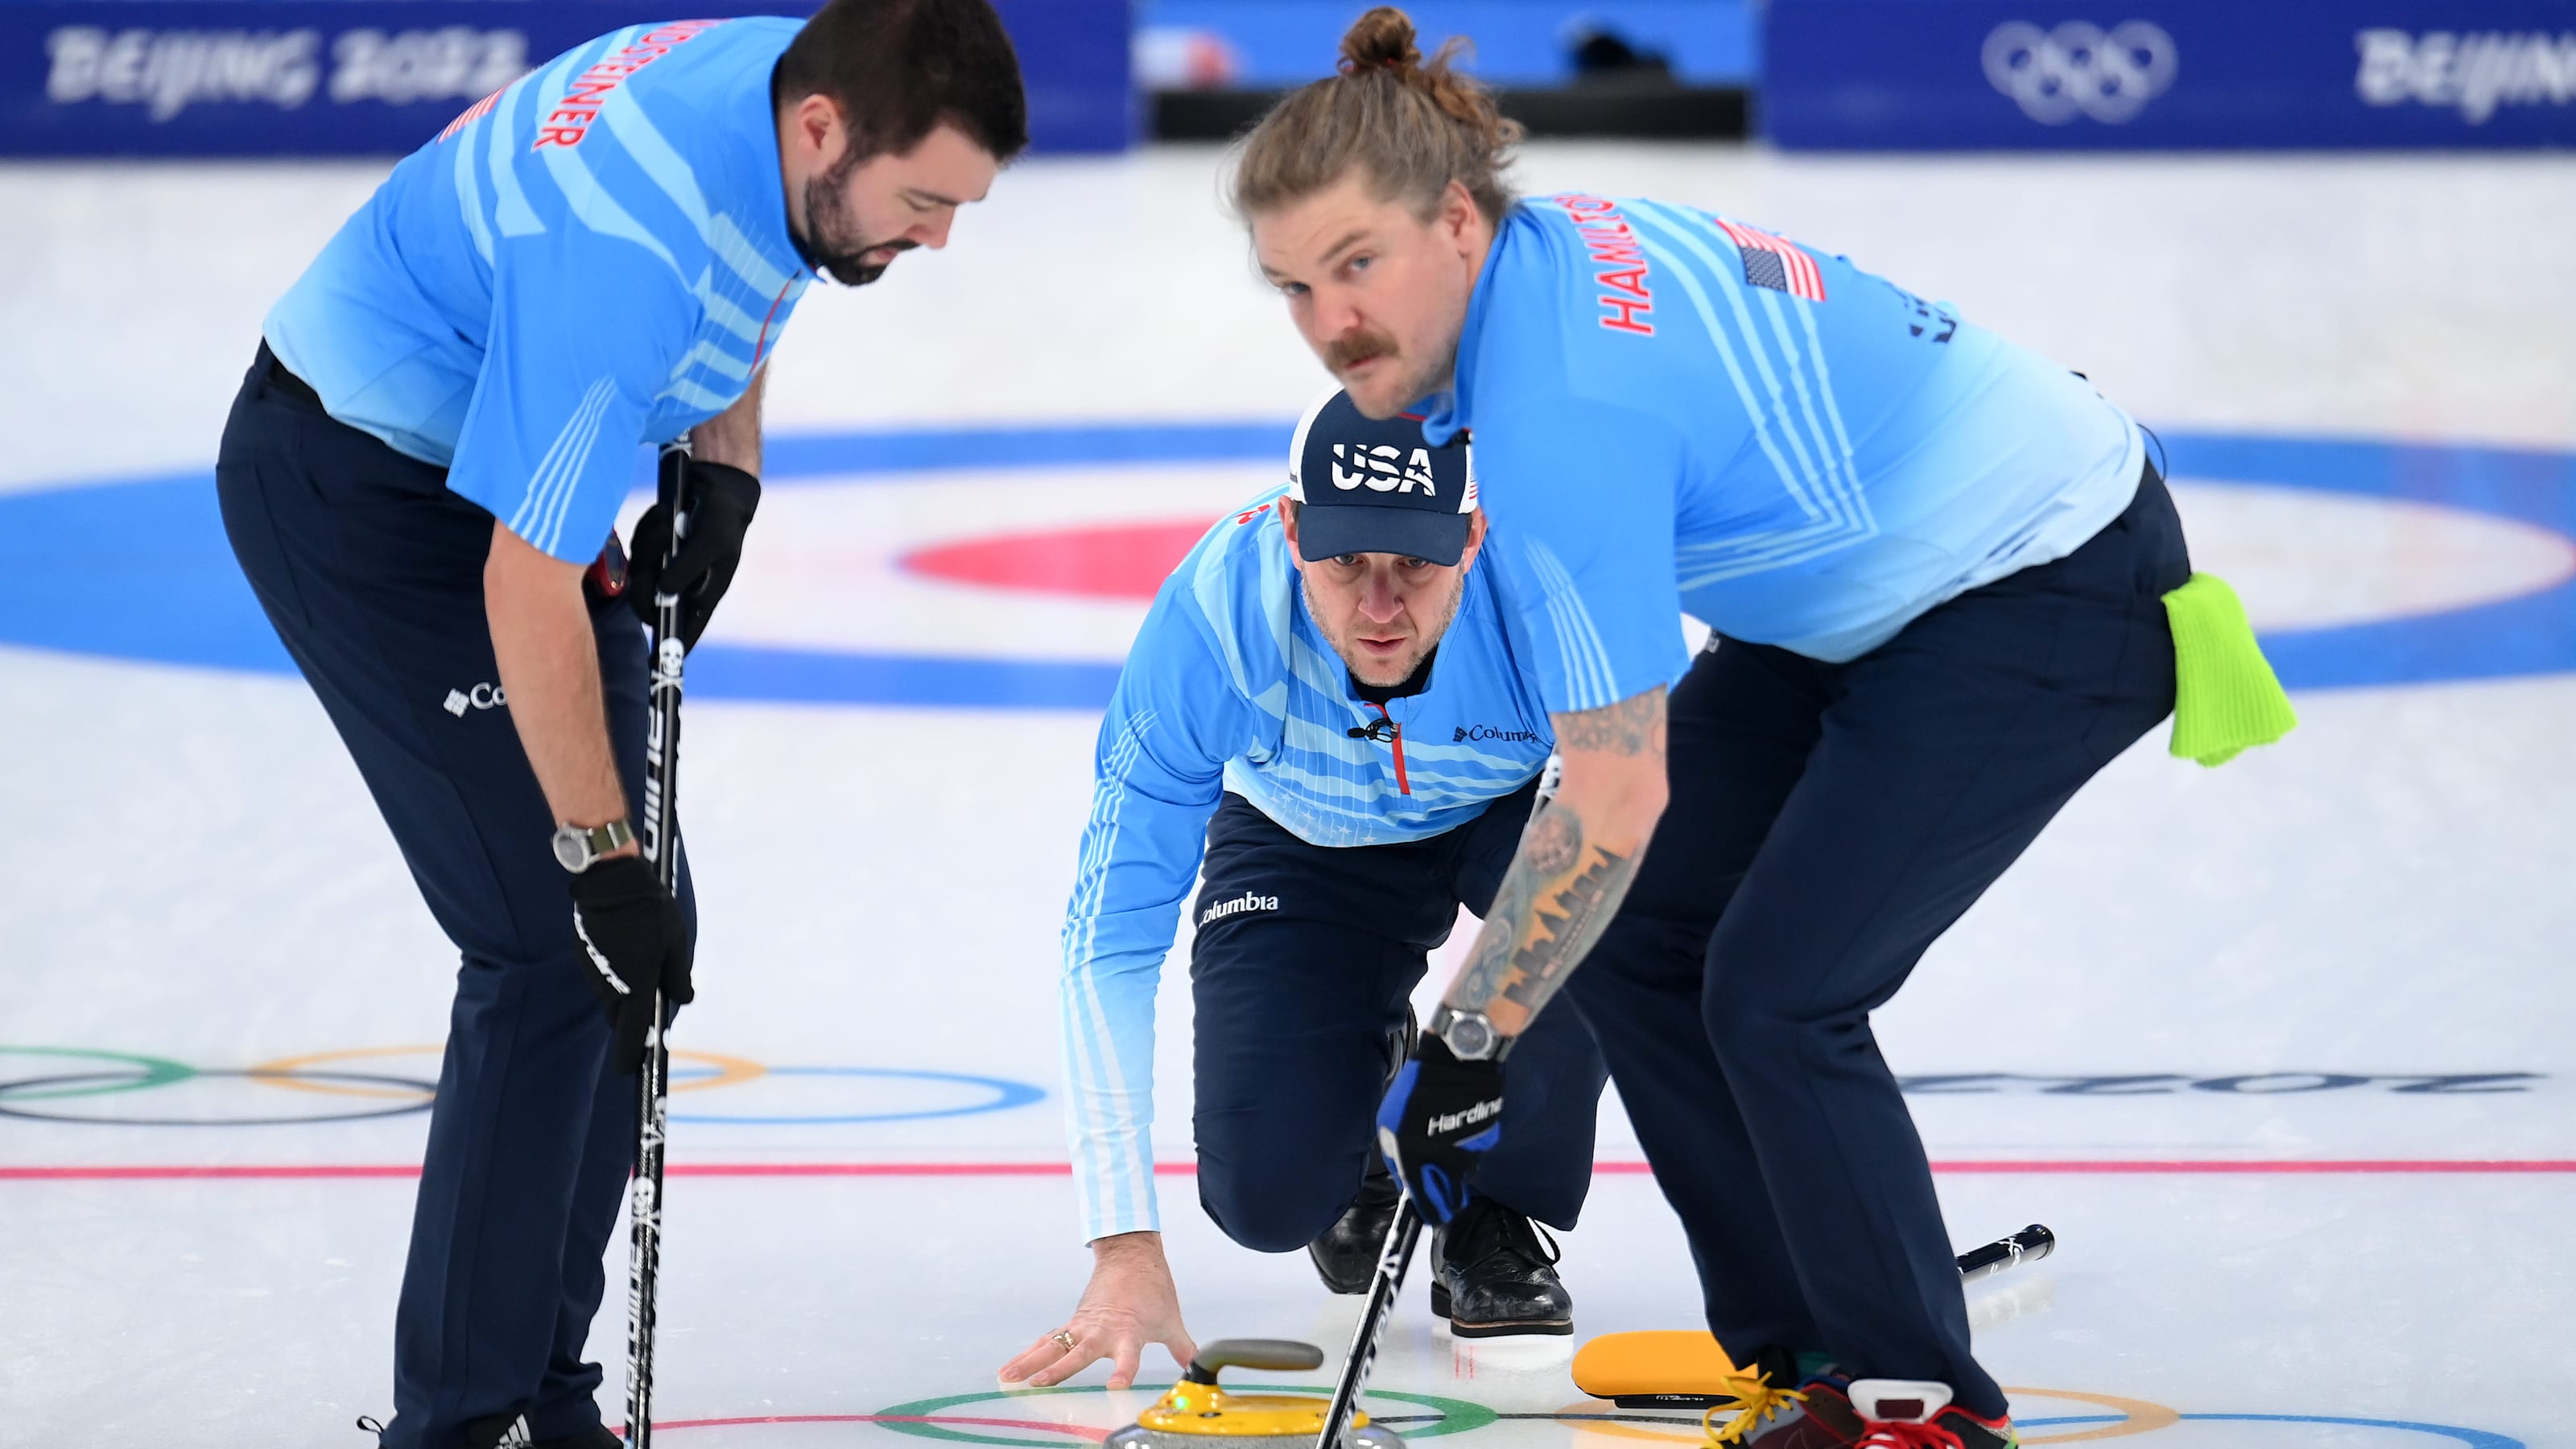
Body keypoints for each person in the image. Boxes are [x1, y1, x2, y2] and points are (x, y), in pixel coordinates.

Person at [1230, 10, 2217, 1448]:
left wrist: (1466, 1042)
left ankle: (1913, 1406)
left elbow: (1612, 802)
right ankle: (1811, 1341)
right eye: (1295, 288)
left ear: (1453, 219)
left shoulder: (1560, 405)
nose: (1330, 327)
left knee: (1780, 989)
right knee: (1647, 938)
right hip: (1860, 599)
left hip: (2045, 582)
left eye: (1355, 267)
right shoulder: (1532, 257)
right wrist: (1482, 1030)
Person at [214, 5, 1025, 1444]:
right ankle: (458, 1420)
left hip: (500, 444)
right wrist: (595, 856)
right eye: (925, 204)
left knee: (635, 946)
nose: (937, 242)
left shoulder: (800, 86)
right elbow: (525, 576)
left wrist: (727, 462)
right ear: (826, 133)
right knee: (554, 937)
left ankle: (541, 1386)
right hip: (360, 487)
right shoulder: (627, 255)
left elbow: (775, 252)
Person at [997, 389, 1612, 1391]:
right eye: (1342, 565)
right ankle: (1361, 1091)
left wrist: (1476, 1046)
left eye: (1415, 563)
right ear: (1288, 531)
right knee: (1266, 1201)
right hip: (1302, 835)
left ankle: (1492, 1209)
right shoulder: (1210, 619)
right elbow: (1107, 935)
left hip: (1512, 813)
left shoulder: (1557, 584)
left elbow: (1615, 845)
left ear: (1474, 533)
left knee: (1610, 919)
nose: (1378, 606)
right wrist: (1120, 1243)